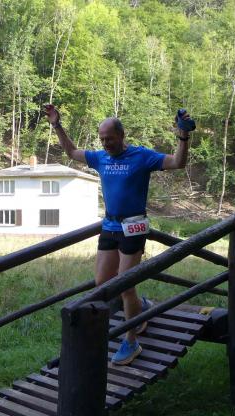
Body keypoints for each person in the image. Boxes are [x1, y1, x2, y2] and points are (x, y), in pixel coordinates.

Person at [43, 104, 194, 365]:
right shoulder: (100, 158)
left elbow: (177, 163)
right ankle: (141, 308)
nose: (105, 144)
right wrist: (57, 125)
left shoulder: (141, 156)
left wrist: (183, 136)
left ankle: (131, 340)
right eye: (102, 139)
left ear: (122, 136)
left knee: (125, 285)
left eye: (109, 139)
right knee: (102, 282)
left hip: (133, 227)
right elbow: (71, 152)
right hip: (109, 226)